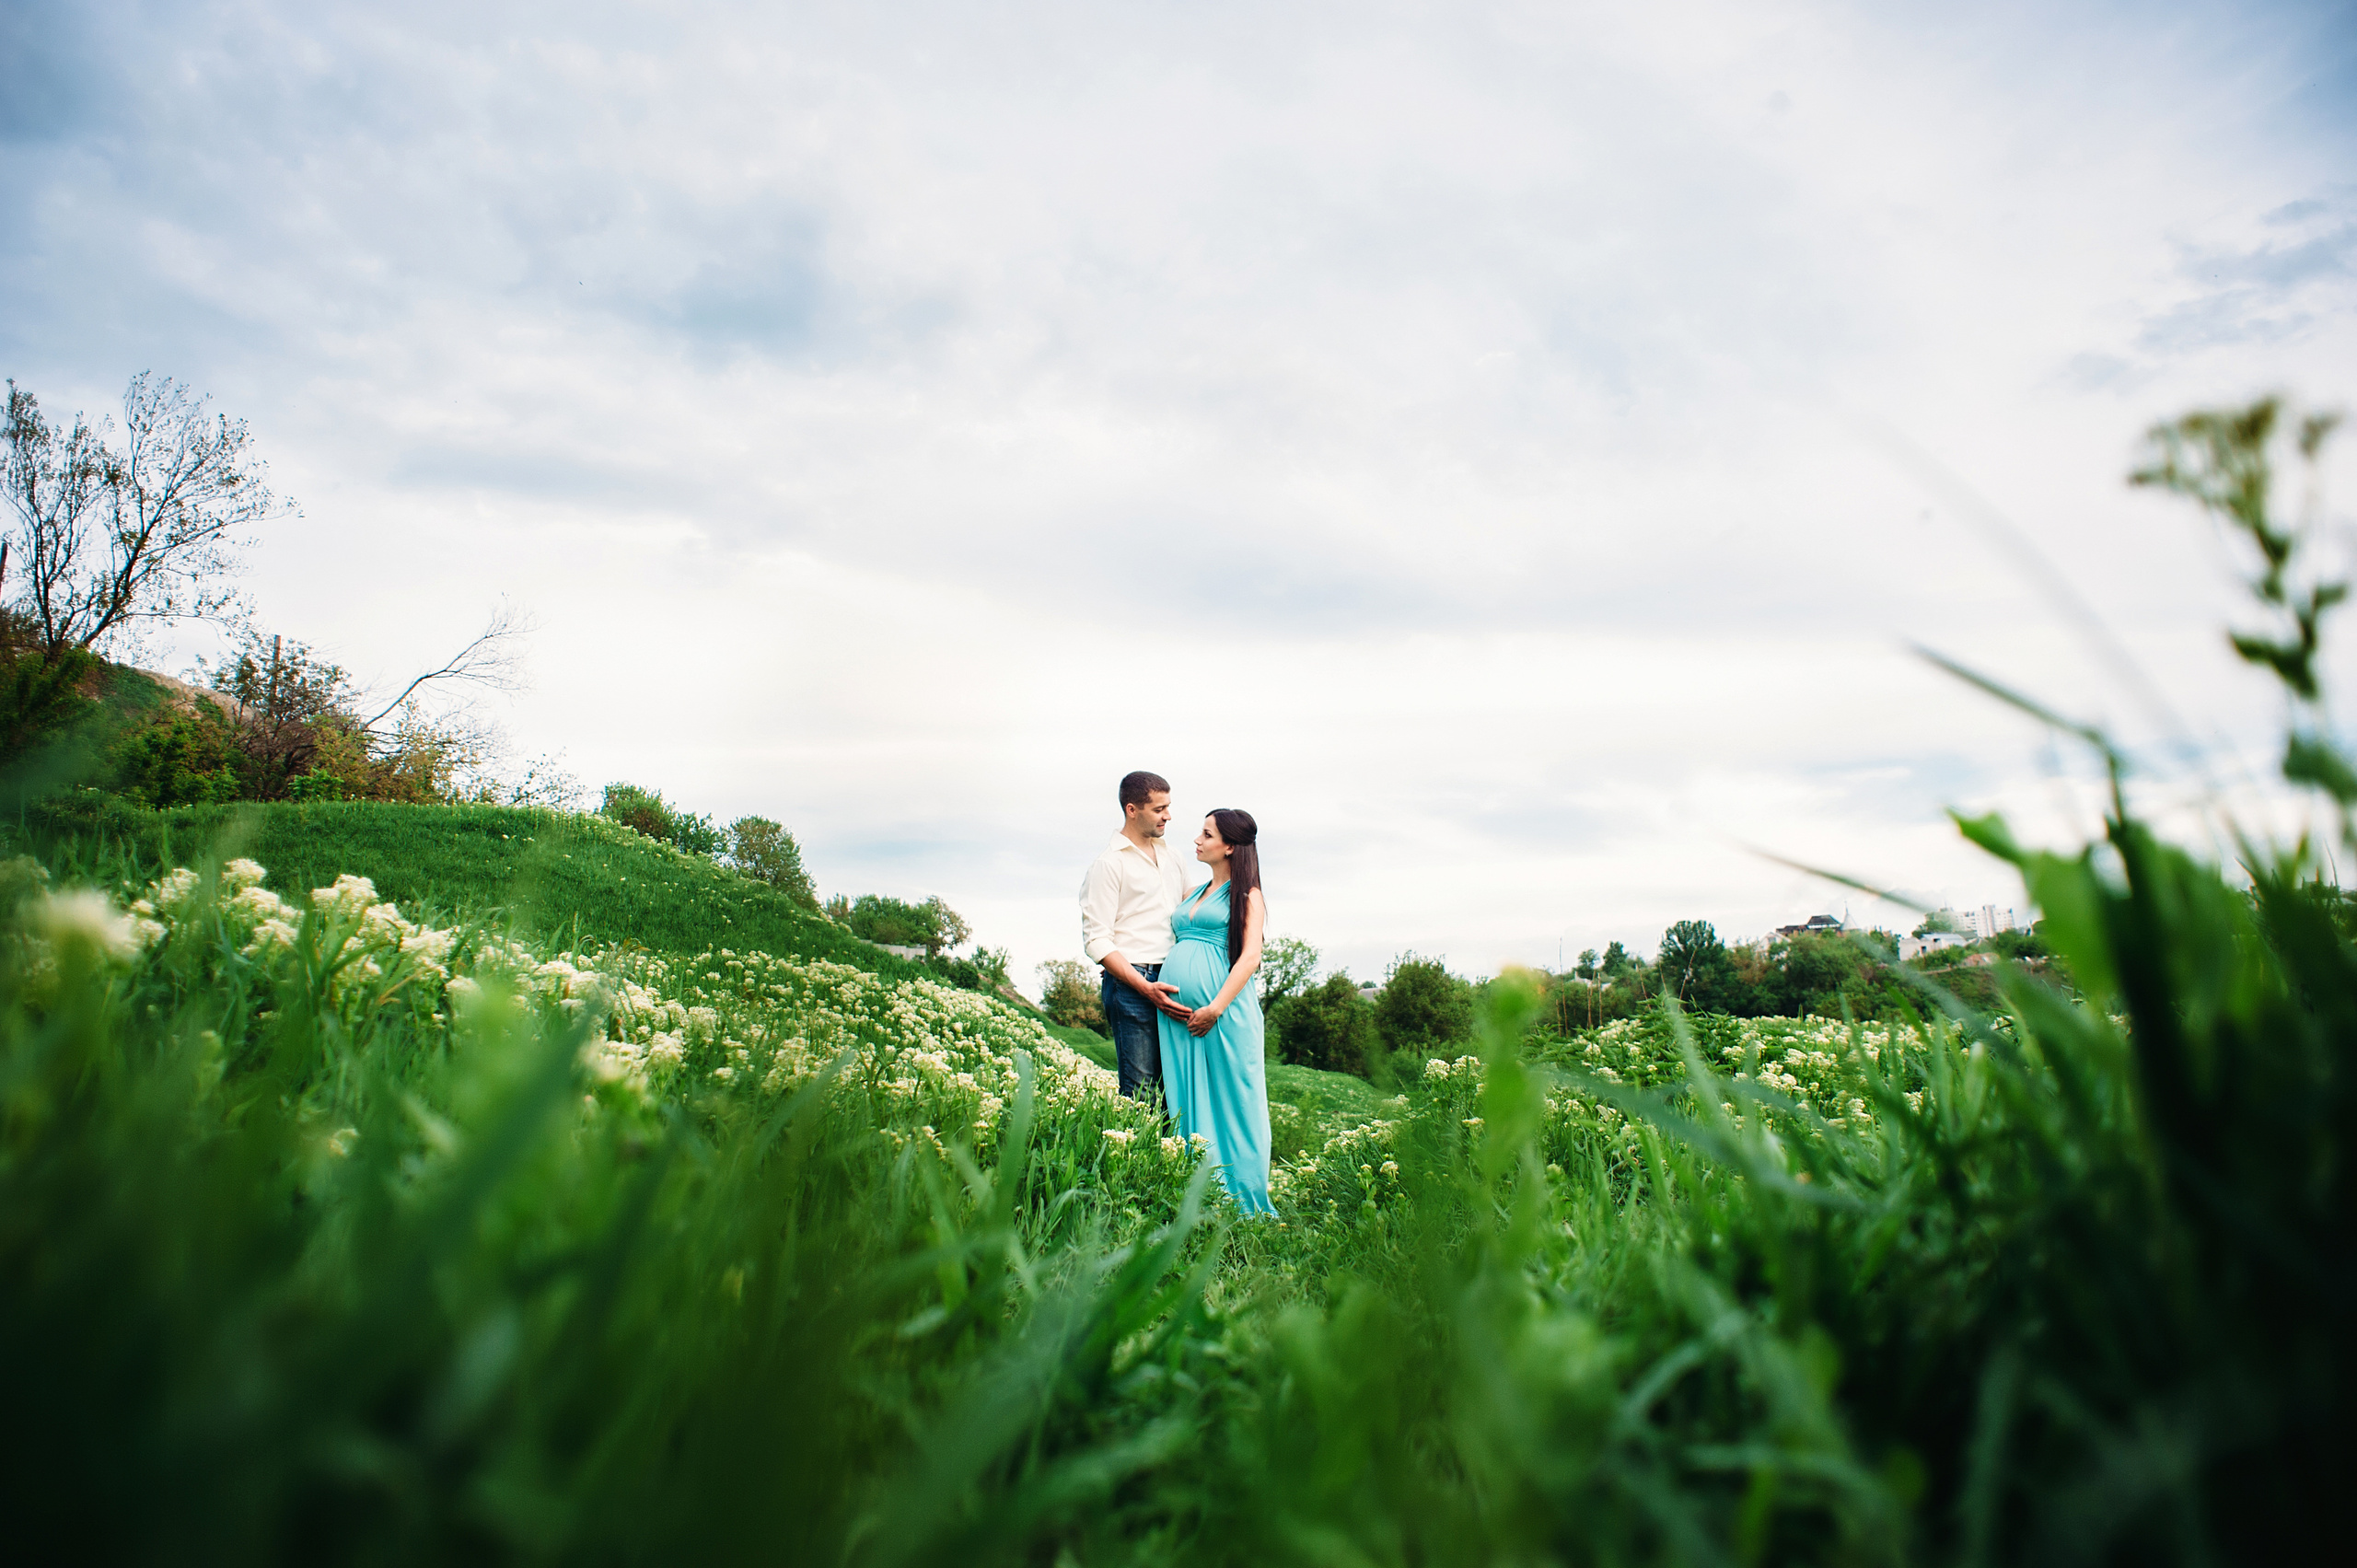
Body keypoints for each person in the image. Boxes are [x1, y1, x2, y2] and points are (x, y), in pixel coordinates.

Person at [1158, 808, 1274, 1215]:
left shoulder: (1248, 896)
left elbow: (1250, 958)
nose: (1197, 840)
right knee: (1189, 1096)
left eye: (1206, 834)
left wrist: (1214, 1008)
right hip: (1180, 1018)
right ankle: (1200, 1191)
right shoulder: (1196, 892)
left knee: (1235, 1104)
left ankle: (1246, 1199)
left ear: (1229, 846)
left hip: (1222, 1015)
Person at [1079, 771, 1195, 1098]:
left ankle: (1171, 1151)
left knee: (1175, 1089)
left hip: (1173, 979)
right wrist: (1143, 986)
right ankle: (1136, 1151)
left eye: (1168, 807)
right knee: (1142, 1093)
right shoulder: (1108, 864)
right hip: (1134, 984)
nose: (1168, 816)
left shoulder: (1173, 856)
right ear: (1132, 810)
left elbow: (1189, 910)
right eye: (1159, 809)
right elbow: (1096, 940)